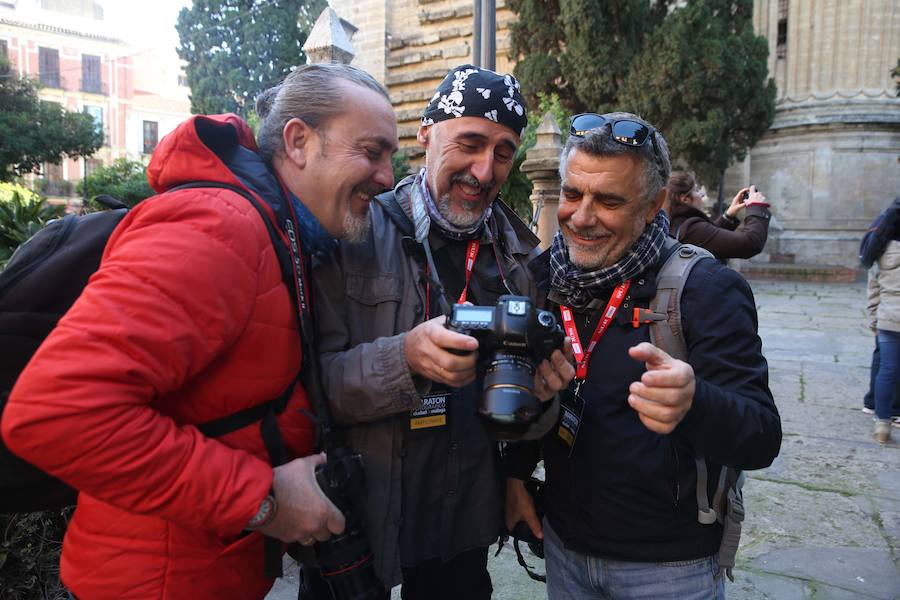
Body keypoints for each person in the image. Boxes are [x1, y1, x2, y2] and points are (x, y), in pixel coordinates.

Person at [1, 63, 398, 599]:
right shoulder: (220, 228)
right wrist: (265, 499)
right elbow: (57, 412)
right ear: (299, 141)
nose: (387, 177)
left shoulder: (278, 232)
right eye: (372, 152)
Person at [311, 64, 575, 599]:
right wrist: (404, 358)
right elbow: (309, 387)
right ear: (426, 134)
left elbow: (519, 419)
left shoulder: (519, 258)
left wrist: (543, 398)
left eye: (504, 152)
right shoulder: (355, 229)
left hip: (462, 525)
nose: (485, 169)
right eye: (471, 142)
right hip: (358, 516)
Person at [505, 112, 782, 599]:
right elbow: (536, 396)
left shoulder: (706, 289)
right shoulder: (547, 276)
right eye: (572, 194)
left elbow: (761, 437)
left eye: (608, 200)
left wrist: (695, 402)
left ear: (655, 205)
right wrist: (514, 476)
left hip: (670, 568)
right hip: (565, 550)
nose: (582, 216)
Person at [666, 169, 771, 260]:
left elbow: (708, 239)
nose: (702, 194)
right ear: (685, 199)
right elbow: (750, 244)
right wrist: (756, 207)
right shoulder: (690, 229)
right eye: (696, 190)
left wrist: (728, 215)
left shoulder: (675, 223)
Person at [866, 235, 900, 443]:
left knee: (887, 369)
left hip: (888, 318)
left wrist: (873, 321)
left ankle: (882, 423)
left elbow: (873, 289)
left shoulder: (882, 247)